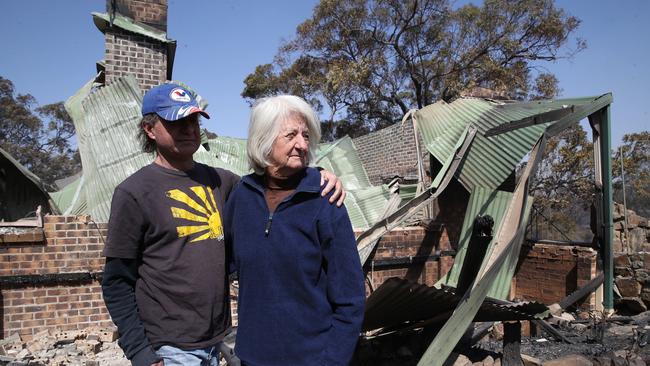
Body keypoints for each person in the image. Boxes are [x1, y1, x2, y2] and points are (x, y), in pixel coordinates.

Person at [101, 83, 345, 366]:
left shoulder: (224, 182)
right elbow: (116, 281)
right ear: (150, 129)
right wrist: (141, 352)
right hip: (169, 347)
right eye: (176, 122)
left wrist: (318, 175)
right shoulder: (134, 192)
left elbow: (276, 181)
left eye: (193, 120)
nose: (189, 129)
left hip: (217, 341)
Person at [224, 95, 365, 365]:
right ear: (264, 140)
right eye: (290, 135)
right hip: (251, 357)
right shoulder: (242, 196)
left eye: (305, 135)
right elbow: (222, 264)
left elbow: (350, 297)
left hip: (311, 358)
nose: (302, 144)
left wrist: (333, 360)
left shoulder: (325, 199)